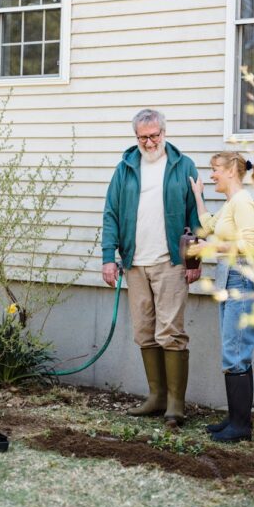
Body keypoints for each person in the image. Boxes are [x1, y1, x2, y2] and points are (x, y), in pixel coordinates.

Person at [102, 109, 201, 426]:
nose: (150, 141)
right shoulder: (125, 168)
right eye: (143, 136)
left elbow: (195, 216)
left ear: (164, 132)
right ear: (136, 138)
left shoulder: (182, 166)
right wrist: (108, 257)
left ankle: (175, 405)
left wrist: (194, 260)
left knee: (170, 332)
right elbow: (111, 214)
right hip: (135, 263)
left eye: (155, 135)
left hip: (170, 263)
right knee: (145, 332)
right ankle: (156, 397)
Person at [189, 151, 254, 442]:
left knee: (236, 352)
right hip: (231, 279)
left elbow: (247, 245)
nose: (212, 175)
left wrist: (207, 250)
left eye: (215, 170)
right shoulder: (231, 203)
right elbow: (207, 225)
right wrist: (198, 195)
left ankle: (241, 427)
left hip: (242, 280)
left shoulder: (244, 202)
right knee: (234, 351)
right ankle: (236, 420)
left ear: (231, 171)